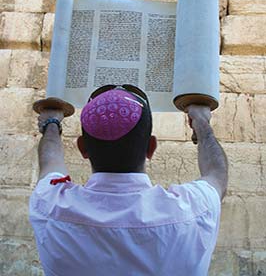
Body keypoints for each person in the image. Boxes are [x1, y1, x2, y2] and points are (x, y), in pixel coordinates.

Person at [29, 84, 228, 276]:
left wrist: (51, 122)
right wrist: (201, 121)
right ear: (151, 147)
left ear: (82, 148)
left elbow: (50, 163)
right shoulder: (192, 209)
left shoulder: (51, 204)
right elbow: (217, 173)